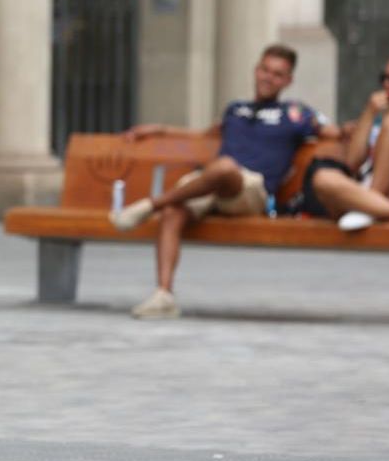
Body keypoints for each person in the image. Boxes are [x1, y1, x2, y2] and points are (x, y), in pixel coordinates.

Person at [110, 44, 337, 319]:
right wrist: (158, 129)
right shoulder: (235, 109)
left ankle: (148, 206)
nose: (268, 77)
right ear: (255, 70)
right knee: (176, 208)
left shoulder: (297, 114)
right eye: (264, 70)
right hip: (214, 183)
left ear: (288, 81)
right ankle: (163, 295)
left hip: (252, 190)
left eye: (277, 74)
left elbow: (335, 134)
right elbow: (203, 136)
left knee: (226, 167)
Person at [299, 51, 389, 231]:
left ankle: (369, 205)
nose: (386, 84)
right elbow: (352, 162)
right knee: (322, 179)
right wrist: (369, 113)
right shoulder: (376, 121)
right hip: (377, 189)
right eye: (383, 78)